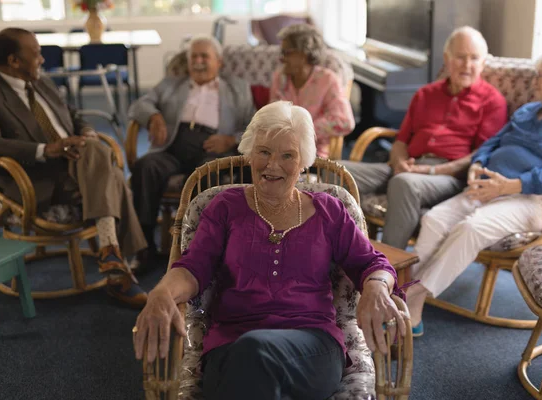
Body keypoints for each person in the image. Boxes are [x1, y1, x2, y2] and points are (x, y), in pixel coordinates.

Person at [132, 101, 406, 400]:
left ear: (303, 162)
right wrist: (161, 293)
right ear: (249, 153)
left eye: (287, 155)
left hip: (312, 349)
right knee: (251, 358)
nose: (272, 165)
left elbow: (371, 262)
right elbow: (193, 268)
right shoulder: (224, 208)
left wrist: (378, 286)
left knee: (254, 354)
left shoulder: (330, 211)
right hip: (230, 347)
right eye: (263, 152)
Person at [405, 49, 542, 335]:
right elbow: (492, 142)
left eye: (541, 75)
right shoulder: (530, 109)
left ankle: (412, 297)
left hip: (533, 199)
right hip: (489, 185)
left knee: (470, 228)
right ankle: (408, 296)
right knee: (434, 219)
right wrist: (477, 165)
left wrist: (509, 186)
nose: (535, 80)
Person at [0, 28, 147, 307]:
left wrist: (87, 133)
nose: (42, 59)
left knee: (96, 151)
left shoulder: (40, 81)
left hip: (78, 162)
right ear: (14, 61)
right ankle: (118, 257)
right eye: (36, 53)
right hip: (35, 176)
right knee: (112, 174)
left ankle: (113, 258)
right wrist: (46, 149)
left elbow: (74, 115)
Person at [340, 26, 508, 250]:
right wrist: (400, 162)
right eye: (460, 57)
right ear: (447, 59)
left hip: (450, 177)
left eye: (474, 58)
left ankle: (386, 271)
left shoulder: (492, 102)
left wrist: (429, 171)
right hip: (410, 166)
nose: (467, 65)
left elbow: (480, 156)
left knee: (404, 183)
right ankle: (340, 253)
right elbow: (401, 140)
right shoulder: (426, 94)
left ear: (483, 63)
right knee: (337, 171)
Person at [128, 35, 256, 271]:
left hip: (213, 149)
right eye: (193, 57)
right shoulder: (171, 84)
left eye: (204, 56)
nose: (198, 61)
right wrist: (154, 116)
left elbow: (254, 125)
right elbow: (139, 104)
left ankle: (200, 248)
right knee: (146, 167)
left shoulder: (238, 88)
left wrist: (230, 140)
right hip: (173, 147)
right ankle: (144, 246)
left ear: (218, 61)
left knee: (209, 173)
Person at [270, 23, 355, 159]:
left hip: (313, 154)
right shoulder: (280, 78)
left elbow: (344, 121)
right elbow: (272, 116)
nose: (282, 58)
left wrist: (303, 131)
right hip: (278, 151)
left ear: (304, 53)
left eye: (287, 53)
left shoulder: (327, 80)